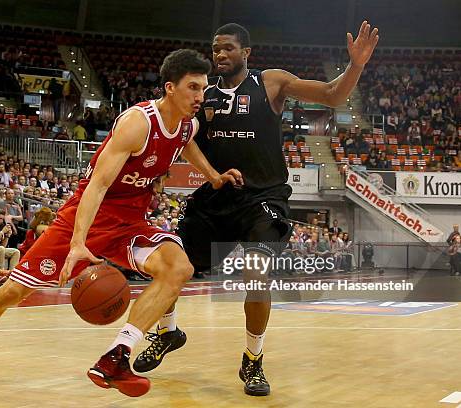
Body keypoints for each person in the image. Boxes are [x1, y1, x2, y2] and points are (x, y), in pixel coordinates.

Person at [0, 49, 241, 397]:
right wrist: (78, 242)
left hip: (129, 222)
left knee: (178, 267)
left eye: (203, 89)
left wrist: (213, 176)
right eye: (193, 87)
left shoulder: (190, 123)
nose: (199, 97)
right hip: (84, 218)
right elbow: (97, 186)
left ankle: (116, 357)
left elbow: (185, 143)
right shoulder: (137, 123)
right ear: (170, 88)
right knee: (13, 292)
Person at [134, 21, 379, 397]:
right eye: (216, 48)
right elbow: (182, 138)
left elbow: (331, 94)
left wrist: (357, 65)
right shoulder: (201, 94)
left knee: (255, 273)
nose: (220, 54)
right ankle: (167, 332)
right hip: (217, 197)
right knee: (171, 265)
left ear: (246, 52)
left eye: (228, 48)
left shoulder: (271, 82)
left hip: (263, 198)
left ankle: (253, 359)